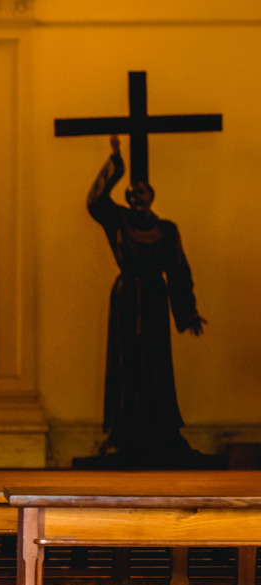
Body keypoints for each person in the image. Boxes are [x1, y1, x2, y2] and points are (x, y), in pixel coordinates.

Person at [87, 134, 205, 463]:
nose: (136, 198)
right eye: (131, 193)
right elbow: (95, 202)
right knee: (126, 362)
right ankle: (124, 427)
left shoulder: (167, 230)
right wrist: (116, 163)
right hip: (127, 297)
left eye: (141, 193)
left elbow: (179, 271)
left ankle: (160, 427)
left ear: (152, 197)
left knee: (155, 362)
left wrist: (188, 312)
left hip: (153, 298)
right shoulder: (119, 220)